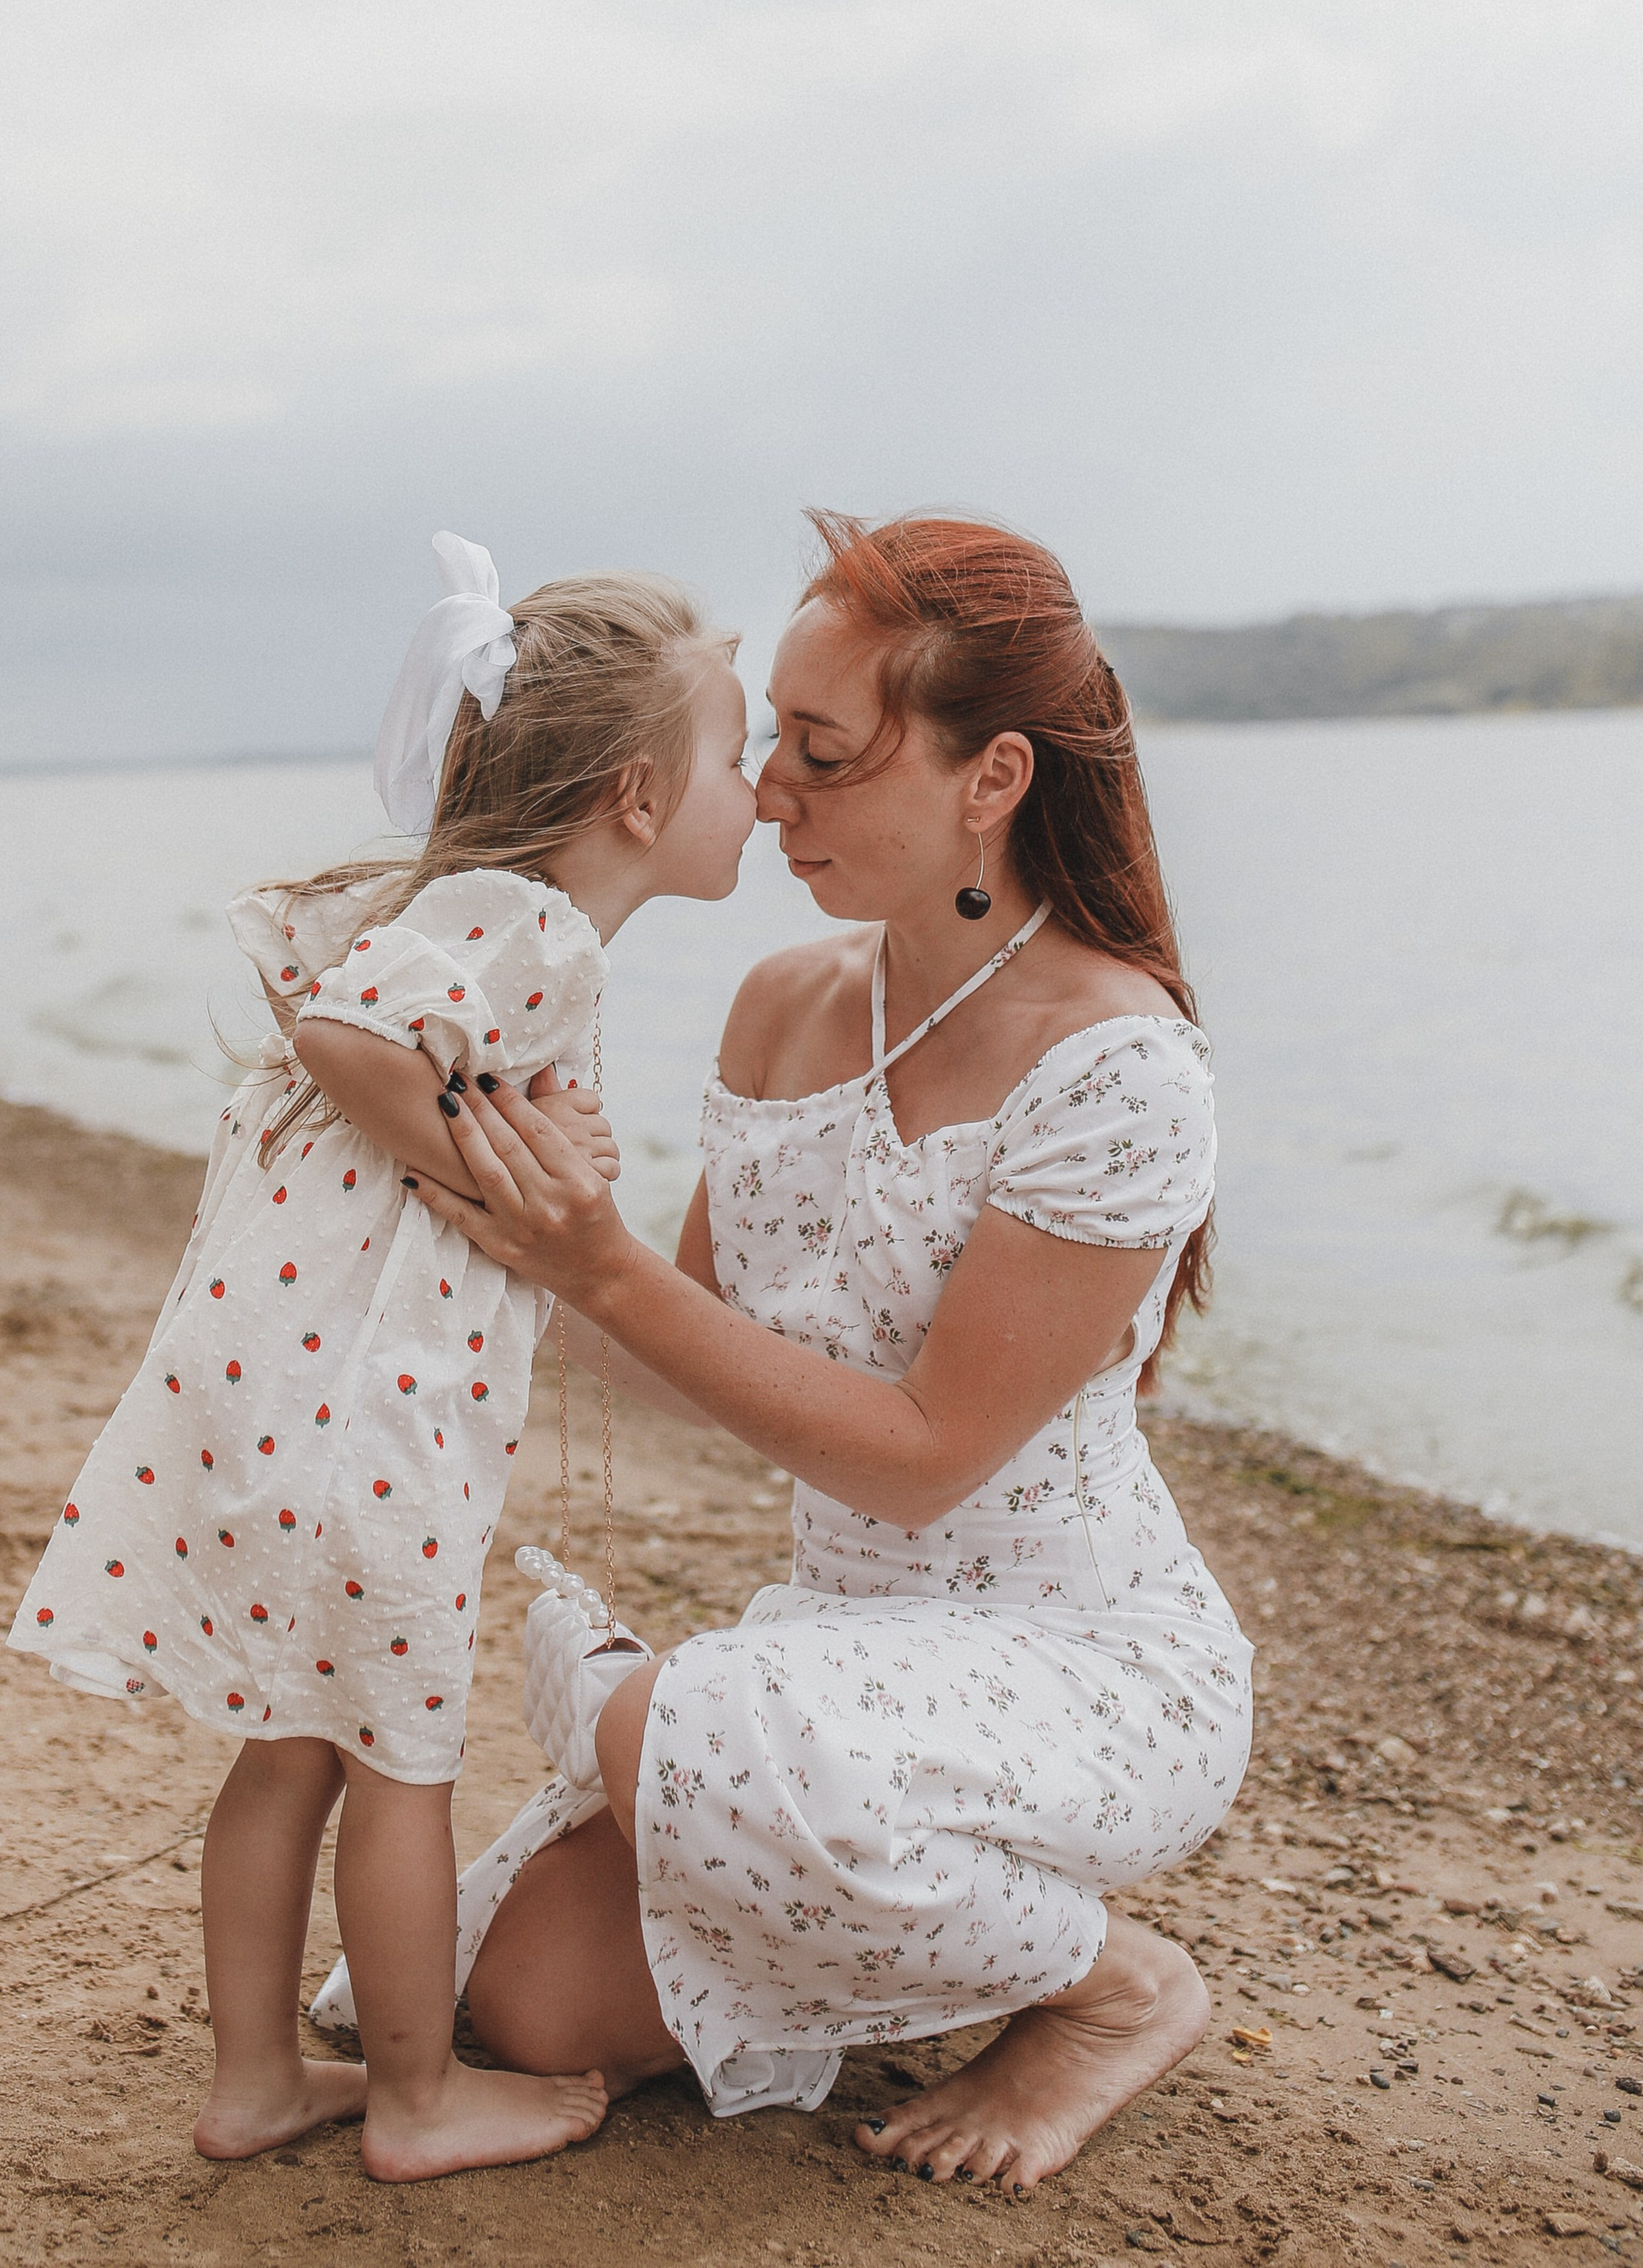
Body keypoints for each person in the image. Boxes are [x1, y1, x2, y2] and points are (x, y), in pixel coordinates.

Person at [407, 511, 1252, 2199]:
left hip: (1083, 1661)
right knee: (527, 2001)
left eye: (821, 748)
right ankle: (885, 1883)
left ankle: (1111, 1987)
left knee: (677, 1721)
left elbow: (926, 1457)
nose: (768, 790)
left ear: (989, 777)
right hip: (849, 1656)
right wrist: (479, 1204)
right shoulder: (788, 1004)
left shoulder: (1118, 1065)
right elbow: (678, 1341)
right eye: (768, 743)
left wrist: (601, 1265)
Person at [8, 537, 756, 2179]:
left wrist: (510, 1133)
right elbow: (347, 1031)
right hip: (372, 1430)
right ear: (638, 797)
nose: (762, 793)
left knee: (290, 1750)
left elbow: (381, 1035)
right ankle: (417, 2099)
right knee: (402, 1761)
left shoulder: (485, 921)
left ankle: (257, 2081)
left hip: (300, 1402)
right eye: (740, 758)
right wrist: (484, 1160)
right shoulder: (536, 925)